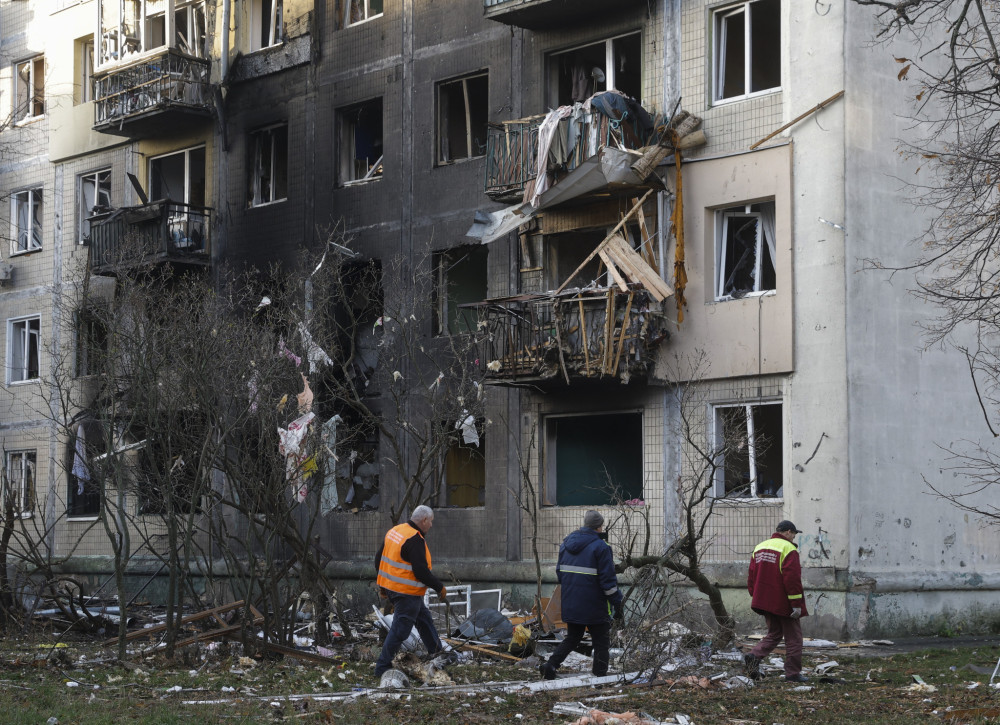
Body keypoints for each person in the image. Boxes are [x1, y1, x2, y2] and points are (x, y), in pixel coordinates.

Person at [539, 510, 623, 680]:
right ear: (600, 527)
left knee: (573, 637)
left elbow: (560, 574)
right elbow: (608, 583)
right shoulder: (602, 547)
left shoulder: (565, 544)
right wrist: (618, 603)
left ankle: (551, 665)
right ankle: (600, 678)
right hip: (594, 605)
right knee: (601, 642)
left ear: (585, 524)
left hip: (571, 602)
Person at [374, 505, 446, 678]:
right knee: (400, 630)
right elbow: (420, 571)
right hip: (407, 593)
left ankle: (439, 656)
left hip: (396, 590)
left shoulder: (395, 531)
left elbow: (379, 560)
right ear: (424, 520)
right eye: (431, 522)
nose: (431, 526)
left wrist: (385, 586)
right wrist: (439, 587)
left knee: (424, 620)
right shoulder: (415, 539)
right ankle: (382, 667)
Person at [744, 520, 810, 683]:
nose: (794, 537)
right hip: (783, 602)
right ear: (788, 532)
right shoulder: (788, 549)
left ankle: (754, 655)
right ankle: (793, 674)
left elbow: (751, 576)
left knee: (774, 634)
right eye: (794, 534)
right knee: (794, 638)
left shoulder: (760, 547)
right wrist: (796, 605)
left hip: (763, 601)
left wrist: (756, 595)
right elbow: (792, 579)